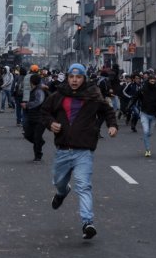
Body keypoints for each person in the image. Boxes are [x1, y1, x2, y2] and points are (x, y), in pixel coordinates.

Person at [40, 63, 118, 240]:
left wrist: (112, 126)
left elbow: (108, 111)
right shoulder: (58, 95)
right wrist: (50, 124)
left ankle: (87, 223)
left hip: (83, 150)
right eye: (72, 77)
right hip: (63, 150)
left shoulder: (93, 95)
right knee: (59, 182)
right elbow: (44, 112)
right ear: (67, 78)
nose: (75, 80)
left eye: (79, 77)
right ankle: (62, 192)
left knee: (83, 186)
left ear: (84, 78)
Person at [136, 73, 156, 157]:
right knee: (146, 131)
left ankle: (146, 138)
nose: (152, 82)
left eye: (154, 81)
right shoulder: (142, 90)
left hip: (154, 115)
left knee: (150, 133)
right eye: (151, 81)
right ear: (148, 81)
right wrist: (128, 107)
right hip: (144, 113)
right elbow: (135, 98)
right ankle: (147, 150)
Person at [23, 73, 47, 162]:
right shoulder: (35, 89)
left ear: (31, 81)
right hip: (32, 117)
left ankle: (38, 156)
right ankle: (40, 143)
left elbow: (38, 101)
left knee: (37, 137)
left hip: (41, 118)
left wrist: (27, 105)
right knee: (28, 135)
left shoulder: (39, 90)